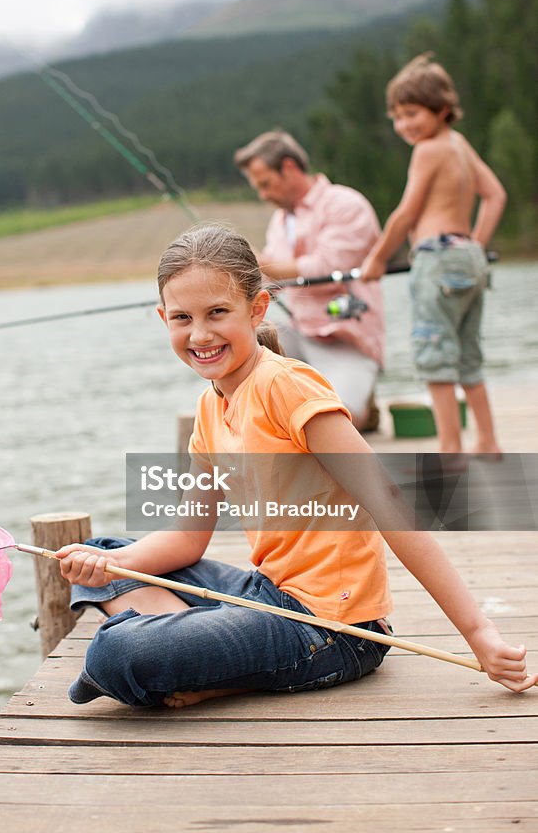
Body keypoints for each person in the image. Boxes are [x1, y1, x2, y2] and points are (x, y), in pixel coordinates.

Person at [56, 225, 535, 709]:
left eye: (218, 313)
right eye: (182, 318)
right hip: (267, 593)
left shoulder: (288, 387)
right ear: (163, 319)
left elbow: (389, 502)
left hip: (333, 628)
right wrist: (106, 566)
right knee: (100, 552)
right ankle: (200, 653)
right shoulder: (209, 406)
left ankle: (198, 657)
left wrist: (479, 632)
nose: (200, 334)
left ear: (257, 307)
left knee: (120, 651)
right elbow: (186, 539)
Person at [360, 54, 506, 458]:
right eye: (397, 116)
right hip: (468, 257)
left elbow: (406, 213)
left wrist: (376, 259)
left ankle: (450, 448)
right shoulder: (458, 145)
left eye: (412, 114)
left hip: (436, 259)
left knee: (435, 356)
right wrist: (475, 243)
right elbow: (495, 196)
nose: (404, 125)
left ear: (442, 110)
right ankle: (488, 441)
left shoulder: (427, 151)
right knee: (467, 355)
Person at [233, 129, 384, 431]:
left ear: (289, 167)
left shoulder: (345, 204)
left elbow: (327, 267)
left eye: (266, 184)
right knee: (245, 345)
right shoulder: (279, 221)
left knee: (339, 421)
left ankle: (361, 403)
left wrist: (264, 263)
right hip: (298, 336)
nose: (263, 196)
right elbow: (270, 283)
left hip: (346, 337)